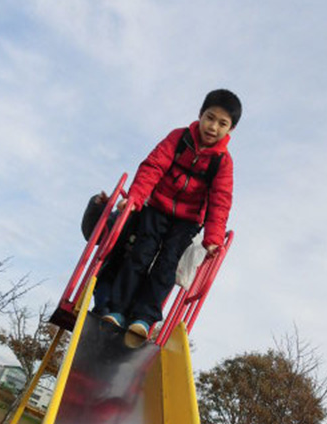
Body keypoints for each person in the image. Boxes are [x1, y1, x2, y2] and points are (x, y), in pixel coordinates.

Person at [102, 89, 242, 339]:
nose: (213, 127)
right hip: (157, 207)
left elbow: (220, 200)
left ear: (230, 130)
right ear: (200, 114)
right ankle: (117, 310)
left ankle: (144, 318)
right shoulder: (179, 138)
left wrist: (213, 238)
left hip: (188, 220)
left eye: (222, 124)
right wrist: (135, 198)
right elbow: (153, 166)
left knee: (167, 265)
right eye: (210, 118)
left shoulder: (222, 161)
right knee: (140, 254)